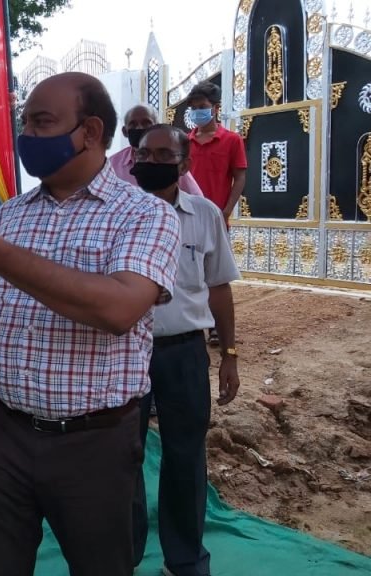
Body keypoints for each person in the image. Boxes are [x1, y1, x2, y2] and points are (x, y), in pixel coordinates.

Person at [0, 72, 181, 576]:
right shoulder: (10, 216)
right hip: (2, 431)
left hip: (93, 444)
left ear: (90, 132)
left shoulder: (145, 216)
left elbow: (118, 309)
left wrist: (0, 255)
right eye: (24, 122)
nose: (27, 135)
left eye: (42, 122)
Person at [129, 125, 240, 576]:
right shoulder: (116, 213)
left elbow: (219, 288)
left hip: (184, 354)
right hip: (123, 353)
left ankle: (185, 560)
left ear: (184, 165)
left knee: (186, 457)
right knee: (122, 455)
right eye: (143, 155)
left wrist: (230, 354)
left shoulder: (205, 215)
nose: (151, 163)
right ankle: (122, 555)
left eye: (163, 155)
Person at [185, 81, 247, 346]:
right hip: (186, 216)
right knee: (190, 272)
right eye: (193, 108)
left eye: (202, 107)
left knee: (215, 276)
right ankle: (194, 323)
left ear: (215, 108)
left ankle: (215, 327)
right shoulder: (184, 142)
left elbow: (239, 177)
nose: (197, 112)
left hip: (216, 219)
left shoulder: (232, 140)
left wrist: (226, 211)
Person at [110, 104, 203, 197]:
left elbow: (195, 198)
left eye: (146, 123)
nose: (139, 128)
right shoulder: (112, 164)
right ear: (125, 131)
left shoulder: (170, 161)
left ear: (157, 126)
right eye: (133, 124)